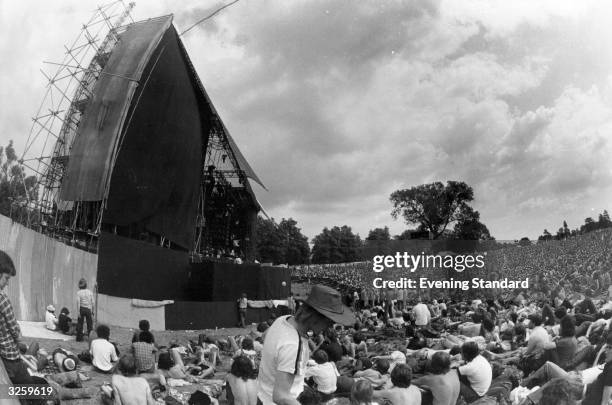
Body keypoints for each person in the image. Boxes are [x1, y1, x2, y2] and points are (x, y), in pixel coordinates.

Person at [257, 284, 355, 405]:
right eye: (328, 322)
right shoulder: (293, 345)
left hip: (262, 395)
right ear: (315, 317)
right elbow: (280, 396)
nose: (329, 327)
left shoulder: (283, 320)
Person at [0, 250, 36, 384]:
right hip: (11, 357)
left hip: (3, 354)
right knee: (30, 388)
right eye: (6, 278)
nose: (7, 283)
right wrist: (18, 336)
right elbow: (15, 329)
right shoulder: (2, 299)